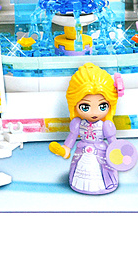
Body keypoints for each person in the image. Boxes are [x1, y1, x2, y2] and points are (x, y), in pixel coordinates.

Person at [49, 63, 121, 194]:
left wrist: (118, 154)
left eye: (102, 106)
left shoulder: (106, 125)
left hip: (101, 152)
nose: (94, 112)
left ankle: (106, 184)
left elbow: (113, 143)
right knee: (80, 171)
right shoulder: (77, 123)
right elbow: (71, 139)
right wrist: (64, 150)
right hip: (82, 151)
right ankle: (78, 184)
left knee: (103, 172)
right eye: (85, 107)